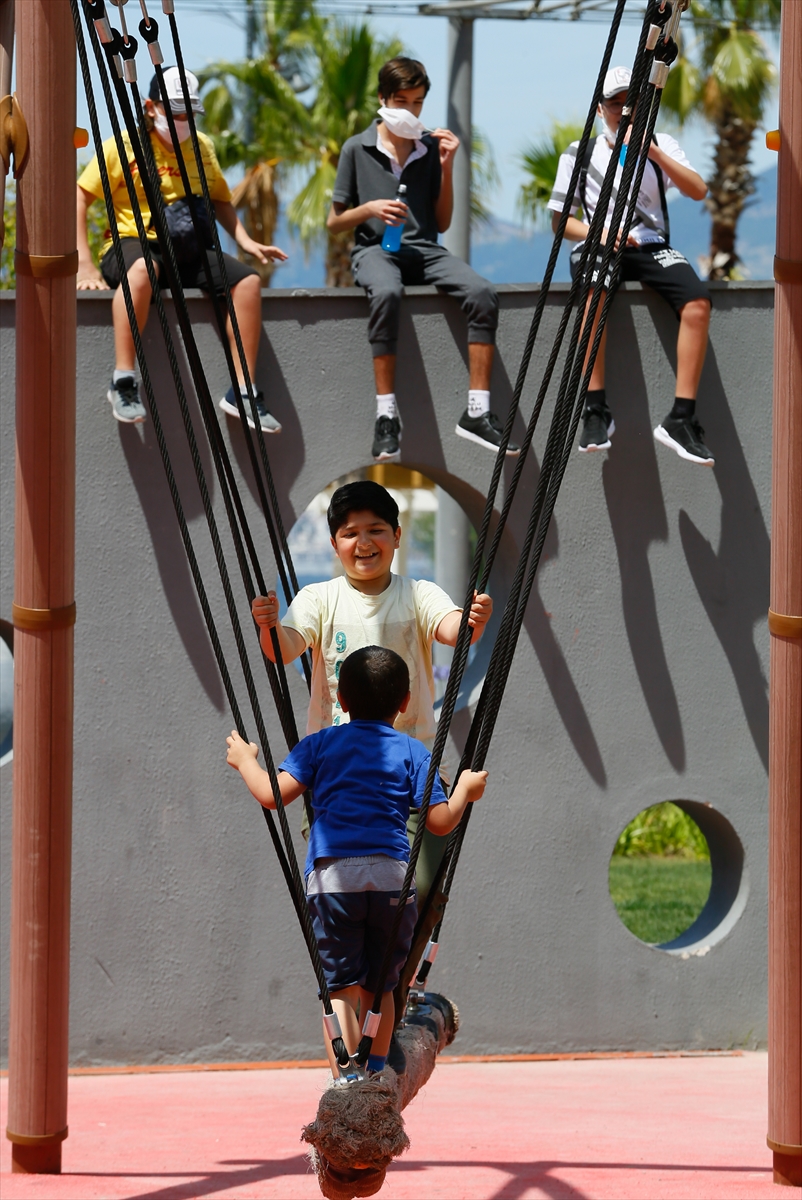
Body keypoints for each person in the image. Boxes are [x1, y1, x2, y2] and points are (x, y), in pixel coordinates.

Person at [225, 645, 488, 1075]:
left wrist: (245, 762)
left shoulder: (320, 745)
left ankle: (346, 1078)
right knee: (381, 985)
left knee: (340, 987)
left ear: (341, 701)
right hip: (390, 879)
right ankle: (378, 1074)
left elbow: (272, 795)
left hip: (333, 880)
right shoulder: (413, 751)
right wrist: (464, 791)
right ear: (404, 703)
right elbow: (439, 822)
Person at [251, 478, 494, 907]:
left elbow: (452, 630)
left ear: (397, 536)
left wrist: (473, 619)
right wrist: (268, 626)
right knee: (340, 898)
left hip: (410, 766)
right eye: (350, 533)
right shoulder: (319, 599)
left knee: (412, 895)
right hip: (339, 776)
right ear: (334, 542)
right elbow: (284, 649)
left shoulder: (418, 594)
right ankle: (364, 969)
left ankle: (396, 964)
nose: (363, 542)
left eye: (375, 530)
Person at [327, 57, 520, 463]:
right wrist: (371, 209)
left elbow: (443, 221)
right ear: (382, 99)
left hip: (425, 250)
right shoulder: (356, 148)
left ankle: (478, 412)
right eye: (401, 102)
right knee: (386, 291)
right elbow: (334, 221)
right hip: (374, 250)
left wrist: (447, 167)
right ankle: (386, 418)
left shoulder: (430, 147)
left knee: (483, 292)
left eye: (417, 103)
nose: (410, 111)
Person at [76, 66, 287, 432]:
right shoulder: (122, 147)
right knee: (144, 271)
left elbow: (221, 200)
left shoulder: (201, 147)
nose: (182, 121)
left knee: (248, 282)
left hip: (185, 247)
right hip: (131, 244)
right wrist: (84, 266)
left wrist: (248, 242)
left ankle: (243, 391)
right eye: (175, 112)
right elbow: (78, 199)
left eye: (189, 113)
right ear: (151, 107)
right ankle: (124, 382)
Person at [548, 65, 714, 466]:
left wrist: (653, 151)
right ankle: (595, 407)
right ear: (601, 108)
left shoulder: (662, 144)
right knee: (593, 289)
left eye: (633, 104)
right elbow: (560, 222)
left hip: (651, 245)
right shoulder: (579, 153)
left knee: (697, 302)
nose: (624, 112)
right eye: (616, 104)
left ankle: (681, 417)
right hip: (601, 244)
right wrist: (600, 233)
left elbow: (698, 189)